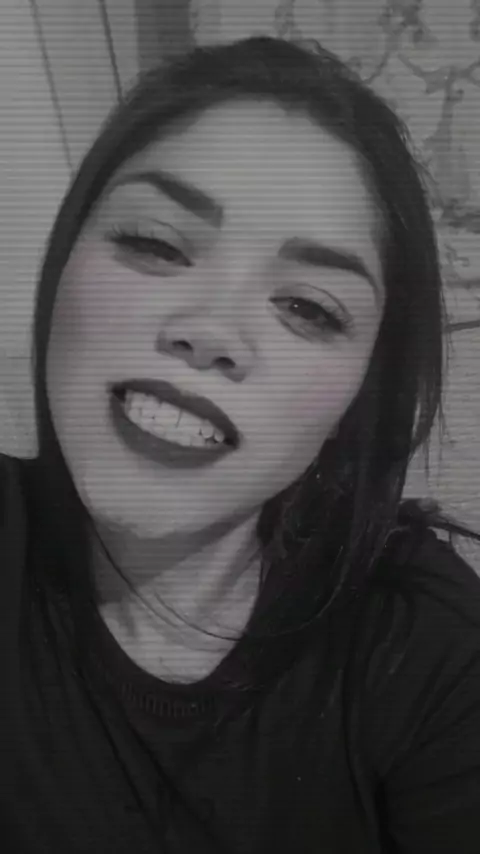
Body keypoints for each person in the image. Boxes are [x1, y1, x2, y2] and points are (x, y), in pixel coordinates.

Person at [1, 35, 480, 854]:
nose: (211, 330)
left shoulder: (428, 650)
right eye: (155, 242)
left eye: (309, 308)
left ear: (355, 399)